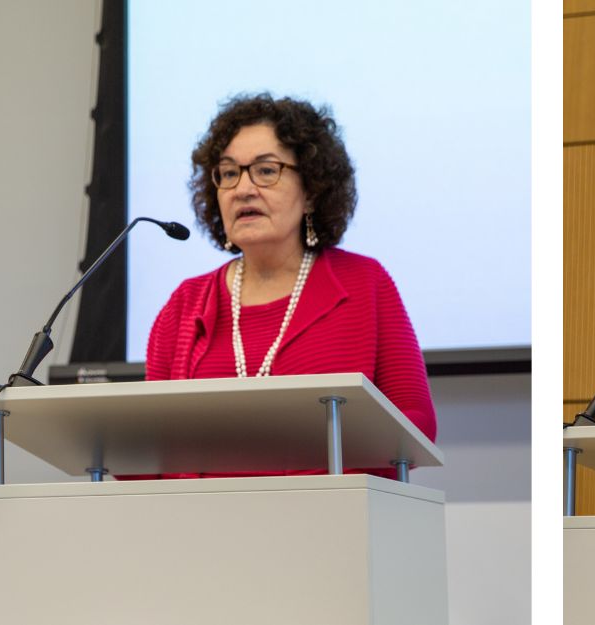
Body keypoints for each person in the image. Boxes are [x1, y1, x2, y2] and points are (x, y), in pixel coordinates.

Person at [142, 93, 437, 478]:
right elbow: (146, 448)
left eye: (266, 170)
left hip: (333, 513)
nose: (243, 189)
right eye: (228, 174)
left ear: (311, 191)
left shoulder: (365, 284)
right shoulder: (185, 304)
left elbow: (416, 422)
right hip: (201, 517)